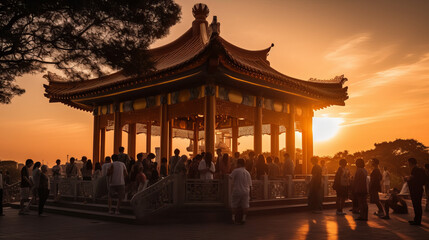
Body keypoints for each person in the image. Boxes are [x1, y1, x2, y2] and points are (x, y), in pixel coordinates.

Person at [230, 158, 252, 224]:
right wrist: (251, 195)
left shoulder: (236, 171)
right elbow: (250, 185)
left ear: (238, 164)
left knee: (234, 204)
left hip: (237, 190)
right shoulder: (247, 172)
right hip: (246, 191)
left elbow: (230, 177)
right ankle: (243, 219)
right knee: (245, 205)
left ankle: (233, 218)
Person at [405, 158, 426, 225]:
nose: (407, 164)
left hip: (415, 190)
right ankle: (417, 219)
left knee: (416, 205)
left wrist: (407, 178)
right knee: (418, 205)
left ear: (411, 163)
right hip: (419, 189)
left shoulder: (415, 170)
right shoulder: (420, 169)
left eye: (408, 163)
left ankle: (417, 221)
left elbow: (412, 178)